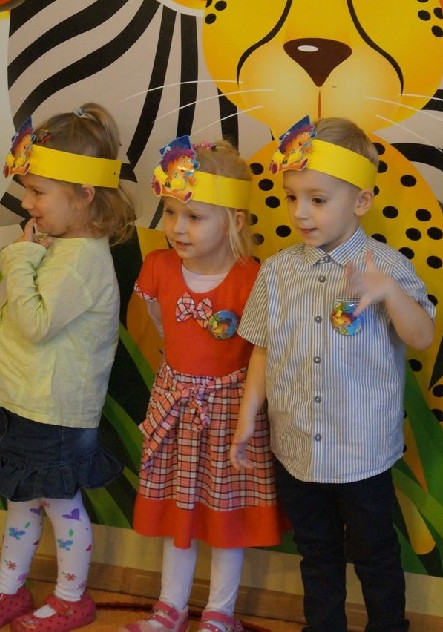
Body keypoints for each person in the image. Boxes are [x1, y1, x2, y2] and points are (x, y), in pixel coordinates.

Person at [230, 115, 436, 632]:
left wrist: (389, 292)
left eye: (318, 199)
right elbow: (263, 351)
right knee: (317, 553)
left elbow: (421, 336)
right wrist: (247, 418)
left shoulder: (385, 266)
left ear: (361, 201)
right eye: (292, 197)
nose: (300, 212)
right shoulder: (277, 271)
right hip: (296, 446)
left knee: (374, 553)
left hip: (360, 450)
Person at [0, 103, 136, 632]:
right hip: (26, 401)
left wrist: (17, 259)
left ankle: (71, 598)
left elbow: (34, 323)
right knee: (21, 502)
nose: (26, 203)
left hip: (53, 413)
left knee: (61, 505)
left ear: (84, 195)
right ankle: (9, 589)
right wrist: (31, 257)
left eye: (37, 192)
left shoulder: (81, 262)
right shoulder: (60, 247)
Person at [122, 137, 284, 632]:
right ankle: (170, 605)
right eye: (171, 213)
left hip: (231, 413)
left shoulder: (252, 278)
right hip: (175, 405)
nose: (177, 228)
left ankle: (219, 612)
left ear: (234, 221)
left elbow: (262, 349)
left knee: (225, 515)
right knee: (179, 509)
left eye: (194, 216)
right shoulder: (158, 267)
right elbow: (160, 324)